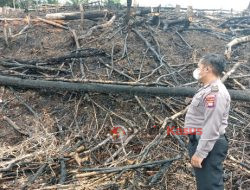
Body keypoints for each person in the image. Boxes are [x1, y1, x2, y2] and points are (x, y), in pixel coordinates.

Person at [184, 53, 231, 190]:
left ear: (207, 69)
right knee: (205, 184)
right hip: (202, 141)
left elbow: (212, 125)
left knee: (210, 186)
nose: (197, 70)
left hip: (209, 144)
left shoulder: (215, 93)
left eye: (199, 67)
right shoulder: (208, 89)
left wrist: (200, 153)